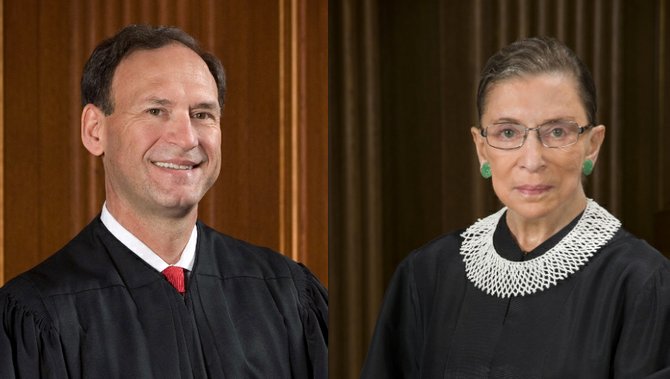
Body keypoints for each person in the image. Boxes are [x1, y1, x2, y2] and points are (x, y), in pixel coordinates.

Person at [0, 24, 327, 378]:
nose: (186, 138)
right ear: (95, 130)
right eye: (156, 110)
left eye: (202, 114)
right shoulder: (38, 317)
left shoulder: (288, 297)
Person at [361, 36, 670, 378]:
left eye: (557, 131)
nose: (532, 159)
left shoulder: (643, 283)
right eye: (508, 132)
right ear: (482, 148)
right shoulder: (428, 273)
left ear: (592, 145)